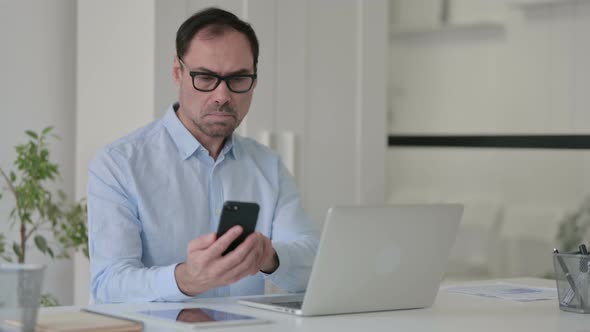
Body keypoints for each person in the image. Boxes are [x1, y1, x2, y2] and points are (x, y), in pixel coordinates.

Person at [88, 7, 319, 303]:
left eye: (238, 79)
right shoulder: (118, 165)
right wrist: (185, 279)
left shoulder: (269, 166)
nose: (222, 96)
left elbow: (314, 267)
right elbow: (108, 285)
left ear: (254, 80)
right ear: (177, 72)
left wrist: (270, 257)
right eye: (206, 78)